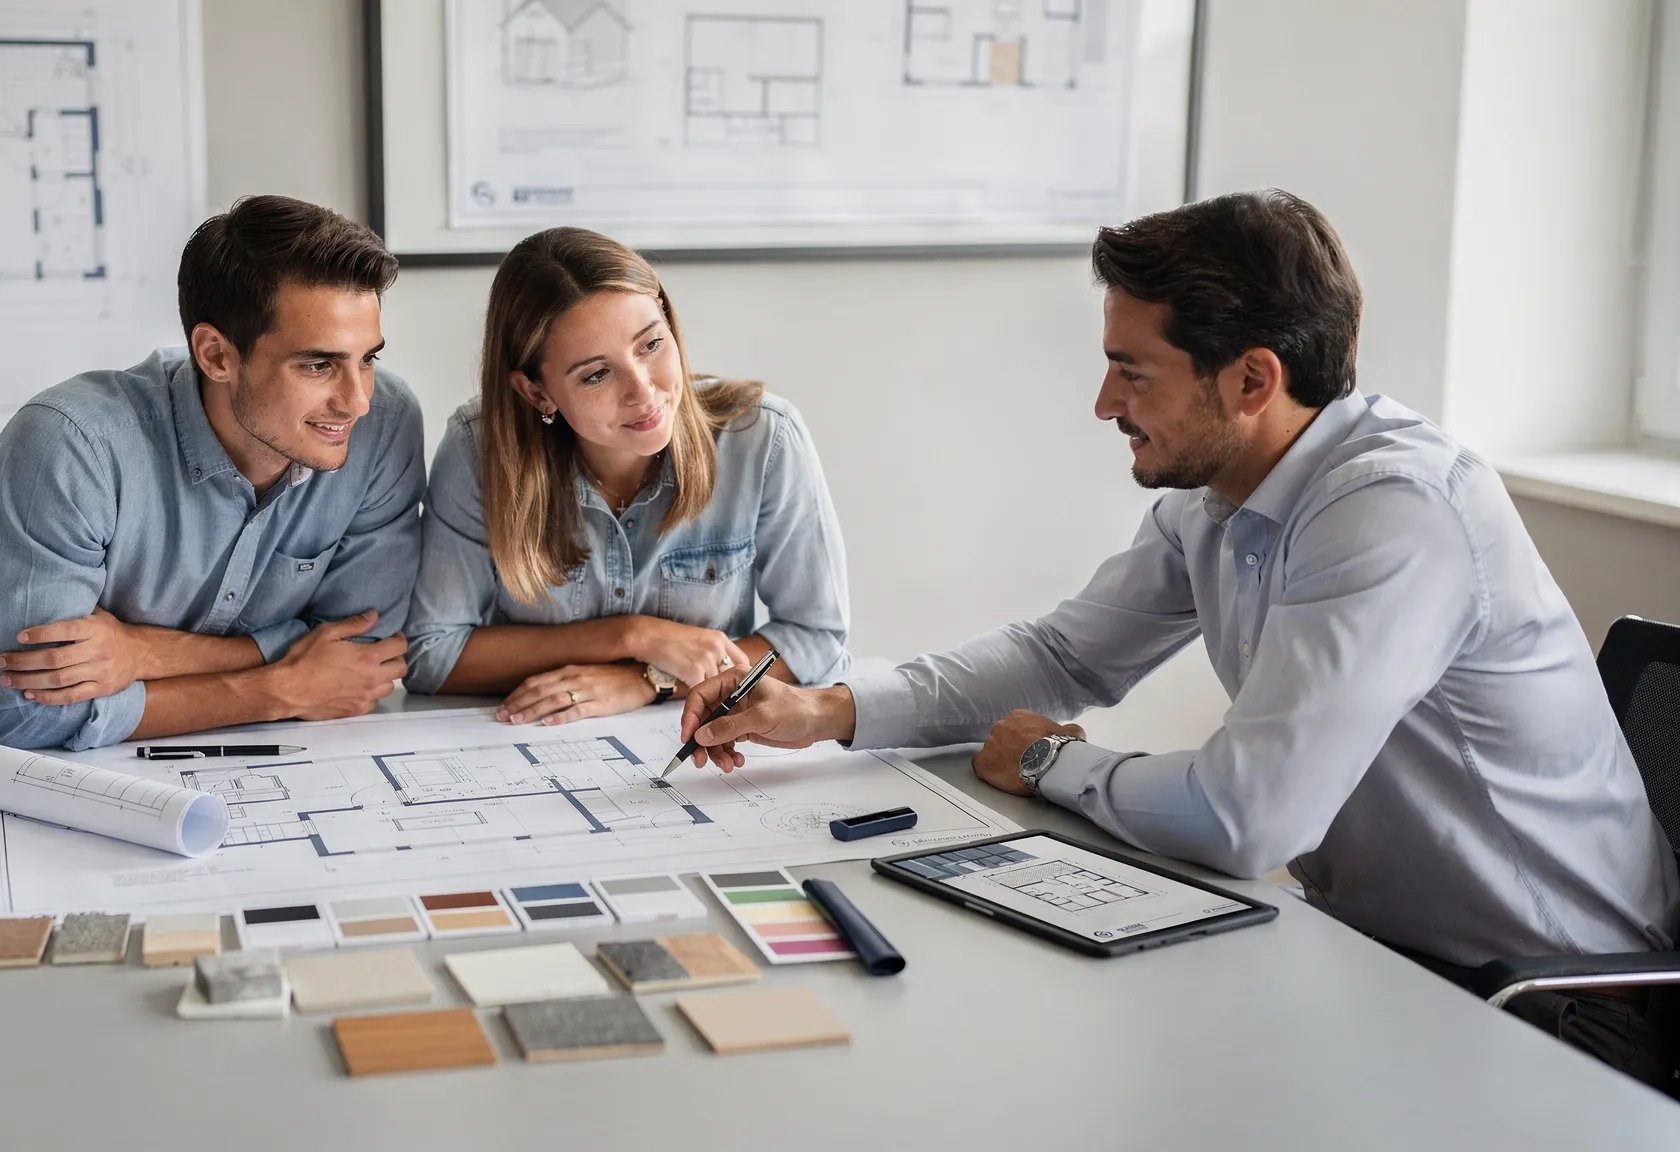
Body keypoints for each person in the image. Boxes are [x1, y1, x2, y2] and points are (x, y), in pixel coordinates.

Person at [677, 190, 1680, 1091]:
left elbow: (1246, 819)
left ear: (1250, 380)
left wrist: (1049, 760)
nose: (1104, 404)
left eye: (1130, 372)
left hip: (1551, 1014)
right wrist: (826, 710)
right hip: (1380, 958)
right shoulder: (1223, 493)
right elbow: (1064, 656)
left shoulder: (1391, 511)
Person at [0, 195, 424, 751]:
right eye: (317, 364)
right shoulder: (69, 446)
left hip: (262, 754)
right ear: (215, 356)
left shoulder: (385, 424)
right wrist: (280, 689)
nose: (356, 401)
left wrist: (143, 652)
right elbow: (28, 718)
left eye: (368, 359)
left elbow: (365, 655)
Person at [404, 226, 849, 723]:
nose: (643, 391)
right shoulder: (479, 448)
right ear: (537, 393)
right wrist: (630, 636)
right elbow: (431, 655)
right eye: (596, 374)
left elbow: (816, 639)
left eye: (651, 344)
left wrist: (648, 679)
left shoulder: (763, 437)